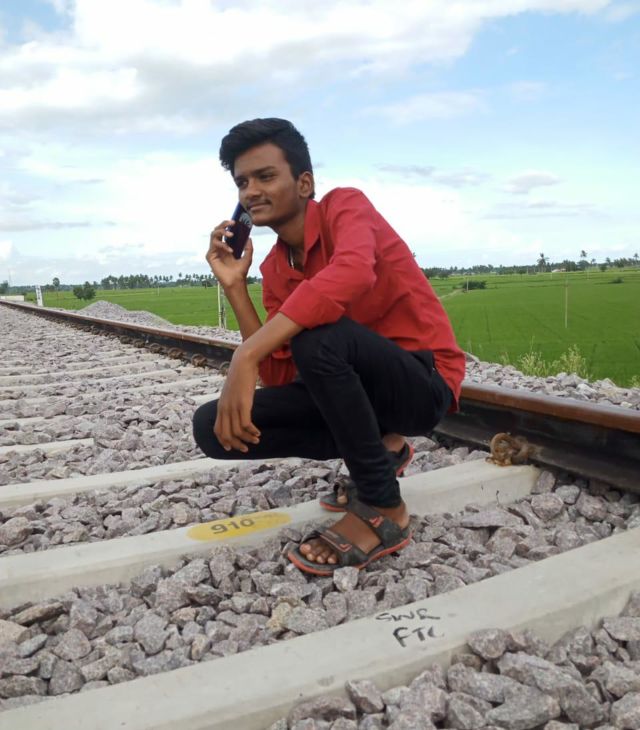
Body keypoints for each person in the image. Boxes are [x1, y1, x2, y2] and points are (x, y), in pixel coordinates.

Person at [192, 118, 465, 576]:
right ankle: (382, 450)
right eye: (242, 183)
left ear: (304, 183)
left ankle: (383, 505)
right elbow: (281, 375)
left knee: (319, 336)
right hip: (356, 393)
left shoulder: (345, 206)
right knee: (213, 426)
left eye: (265, 176)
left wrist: (246, 354)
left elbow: (354, 272)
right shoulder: (277, 267)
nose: (251, 192)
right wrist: (236, 286)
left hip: (422, 384)